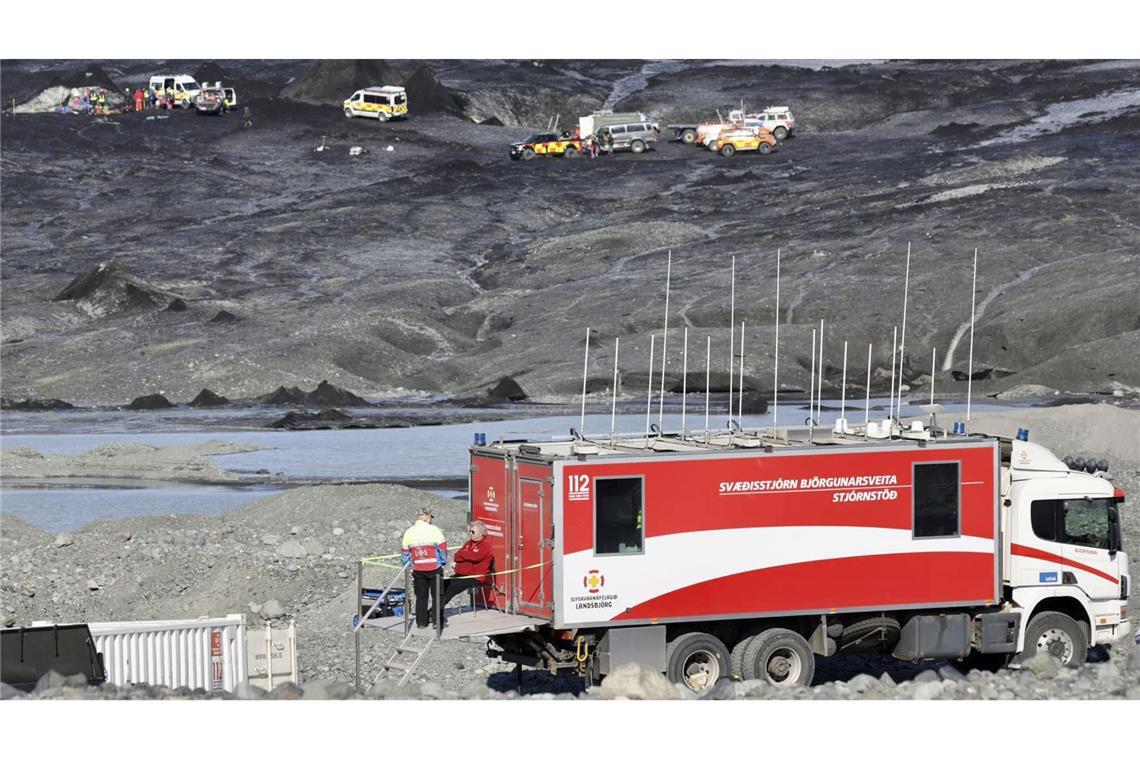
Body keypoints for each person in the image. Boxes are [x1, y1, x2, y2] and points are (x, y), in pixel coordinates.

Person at [429, 521, 493, 622]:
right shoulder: (468, 544)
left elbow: (475, 557)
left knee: (451, 588)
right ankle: (434, 611)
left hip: (474, 577)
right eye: (470, 531)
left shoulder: (485, 546)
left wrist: (464, 555)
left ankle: (434, 613)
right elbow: (456, 556)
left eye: (473, 532)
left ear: (481, 533)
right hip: (462, 574)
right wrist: (466, 555)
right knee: (443, 584)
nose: (470, 534)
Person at [400, 507, 447, 629]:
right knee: (437, 595)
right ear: (426, 516)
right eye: (431, 517)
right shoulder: (434, 530)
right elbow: (442, 548)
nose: (431, 519)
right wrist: (442, 562)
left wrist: (409, 566)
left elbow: (405, 553)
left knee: (421, 596)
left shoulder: (409, 532)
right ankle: (437, 622)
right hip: (434, 567)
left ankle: (421, 622)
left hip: (418, 569)